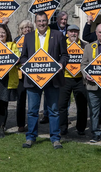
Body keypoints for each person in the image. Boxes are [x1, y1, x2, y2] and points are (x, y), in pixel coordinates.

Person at [20, 12, 68, 149]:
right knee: (32, 111)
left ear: (48, 21)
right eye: (39, 21)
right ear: (35, 22)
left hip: (52, 79)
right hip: (33, 79)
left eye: (44, 21)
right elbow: (23, 57)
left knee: (53, 110)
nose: (42, 23)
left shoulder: (58, 35)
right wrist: (25, 64)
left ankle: (55, 138)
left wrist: (61, 64)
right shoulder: (28, 37)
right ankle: (30, 137)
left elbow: (65, 55)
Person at [59, 24, 88, 136]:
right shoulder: (62, 45)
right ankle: (63, 128)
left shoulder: (85, 45)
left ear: (78, 33)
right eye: (71, 31)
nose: (73, 34)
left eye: (75, 31)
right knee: (62, 105)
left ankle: (81, 128)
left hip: (80, 79)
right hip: (65, 78)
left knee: (82, 105)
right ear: (67, 33)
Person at [14, 19, 34, 132]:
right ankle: (20, 124)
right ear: (21, 30)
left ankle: (31, 124)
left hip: (31, 74)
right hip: (20, 74)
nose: (27, 29)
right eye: (24, 28)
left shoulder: (35, 39)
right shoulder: (16, 40)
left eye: (29, 27)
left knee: (32, 100)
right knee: (20, 100)